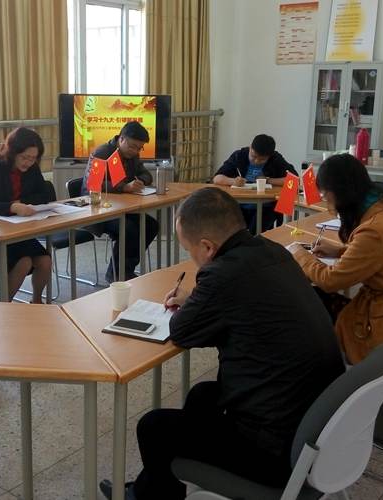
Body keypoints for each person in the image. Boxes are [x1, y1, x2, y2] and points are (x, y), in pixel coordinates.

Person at [99, 187, 345, 500]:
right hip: (316, 425)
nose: (192, 259)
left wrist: (196, 303)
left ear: (207, 247)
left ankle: (151, 496)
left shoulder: (222, 274)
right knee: (203, 395)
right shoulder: (273, 251)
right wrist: (199, 301)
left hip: (277, 452)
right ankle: (152, 489)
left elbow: (182, 331)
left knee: (153, 427)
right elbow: (245, 305)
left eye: (189, 250)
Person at [289, 154, 383, 389]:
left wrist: (298, 253)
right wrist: (342, 250)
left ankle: (319, 377)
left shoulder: (373, 230)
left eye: (326, 196)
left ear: (339, 193)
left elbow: (331, 280)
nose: (327, 204)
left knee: (309, 305)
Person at [0, 127, 53, 303]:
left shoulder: (32, 169)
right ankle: (4, 307)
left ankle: (36, 302)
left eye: (33, 158)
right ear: (12, 152)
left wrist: (21, 202)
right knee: (24, 262)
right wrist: (12, 207)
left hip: (20, 233)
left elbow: (45, 195)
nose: (28, 162)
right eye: (24, 157)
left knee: (45, 261)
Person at [81, 121, 159, 282]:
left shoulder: (132, 155)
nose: (135, 151)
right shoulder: (102, 153)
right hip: (97, 208)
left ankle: (126, 269)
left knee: (151, 225)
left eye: (139, 148)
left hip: (122, 207)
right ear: (121, 139)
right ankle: (117, 274)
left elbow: (146, 175)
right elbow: (94, 185)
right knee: (129, 229)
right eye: (132, 146)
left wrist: (140, 182)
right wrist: (124, 187)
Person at [212, 134, 298, 232]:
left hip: (266, 206)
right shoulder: (239, 156)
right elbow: (217, 178)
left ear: (269, 156)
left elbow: (294, 180)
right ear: (250, 148)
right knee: (231, 230)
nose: (256, 161)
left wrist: (268, 180)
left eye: (262, 159)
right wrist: (233, 181)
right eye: (253, 156)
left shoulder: (275, 159)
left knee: (255, 233)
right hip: (239, 205)